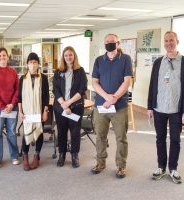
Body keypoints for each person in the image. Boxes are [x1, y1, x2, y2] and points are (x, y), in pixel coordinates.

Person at [148, 31, 184, 184]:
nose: (169, 43)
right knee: (160, 139)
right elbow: (152, 85)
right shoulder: (158, 62)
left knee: (175, 140)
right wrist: (149, 106)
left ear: (177, 41)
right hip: (159, 108)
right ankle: (161, 167)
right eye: (166, 41)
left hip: (176, 110)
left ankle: (173, 168)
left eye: (171, 40)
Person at [91, 33, 132, 178]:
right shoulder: (98, 60)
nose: (109, 44)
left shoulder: (126, 59)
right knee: (100, 136)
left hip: (119, 106)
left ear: (118, 43)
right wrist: (107, 97)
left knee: (121, 137)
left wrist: (114, 98)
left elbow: (127, 81)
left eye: (112, 41)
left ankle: (121, 166)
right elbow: (94, 82)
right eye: (106, 42)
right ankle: (100, 163)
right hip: (101, 106)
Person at [53, 46, 87, 168]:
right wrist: (63, 104)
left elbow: (82, 89)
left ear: (74, 56)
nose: (68, 57)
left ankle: (74, 155)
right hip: (60, 108)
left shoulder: (80, 71)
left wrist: (69, 103)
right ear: (63, 57)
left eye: (70, 55)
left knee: (75, 132)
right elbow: (55, 90)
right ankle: (62, 154)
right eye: (66, 55)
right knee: (61, 131)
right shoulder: (58, 72)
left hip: (76, 107)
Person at [18, 52, 49, 171]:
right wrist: (20, 111)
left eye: (35, 62)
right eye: (30, 62)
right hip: (27, 112)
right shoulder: (22, 78)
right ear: (27, 64)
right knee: (26, 133)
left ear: (38, 64)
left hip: (39, 110)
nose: (32, 64)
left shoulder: (44, 78)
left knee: (39, 132)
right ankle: (25, 156)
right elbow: (19, 97)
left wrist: (45, 111)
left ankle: (37, 155)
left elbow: (46, 96)